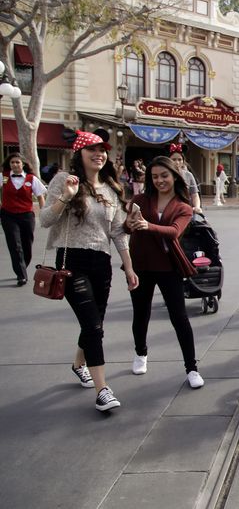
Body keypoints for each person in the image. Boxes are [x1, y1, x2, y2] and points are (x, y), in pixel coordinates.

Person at [40, 130, 139, 411]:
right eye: (92, 149)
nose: (99, 154)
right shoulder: (64, 180)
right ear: (79, 154)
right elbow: (45, 220)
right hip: (71, 262)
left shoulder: (110, 188)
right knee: (93, 326)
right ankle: (102, 389)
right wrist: (66, 197)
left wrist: (129, 268)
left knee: (95, 323)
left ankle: (77, 364)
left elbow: (119, 232)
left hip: (101, 263)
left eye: (103, 150)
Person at [124, 156, 204, 389]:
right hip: (140, 265)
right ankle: (141, 353)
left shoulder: (183, 206)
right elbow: (124, 229)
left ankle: (192, 368)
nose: (159, 180)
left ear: (174, 176)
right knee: (141, 314)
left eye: (164, 175)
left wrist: (148, 226)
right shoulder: (140, 199)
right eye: (155, 176)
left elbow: (173, 232)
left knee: (179, 318)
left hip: (168, 267)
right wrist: (129, 223)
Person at [1, 153, 47, 285]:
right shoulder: (4, 177)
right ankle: (21, 274)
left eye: (17, 162)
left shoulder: (31, 178)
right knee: (15, 245)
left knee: (27, 244)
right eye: (12, 162)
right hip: (8, 215)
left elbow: (40, 196)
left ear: (23, 164)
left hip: (26, 215)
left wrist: (44, 213)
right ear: (9, 165)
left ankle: (22, 266)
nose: (15, 165)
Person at [169, 143, 202, 214]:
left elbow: (194, 194)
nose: (177, 162)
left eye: (179, 159)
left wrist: (197, 206)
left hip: (187, 211)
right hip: (170, 212)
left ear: (183, 161)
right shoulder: (165, 175)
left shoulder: (188, 175)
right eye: (174, 159)